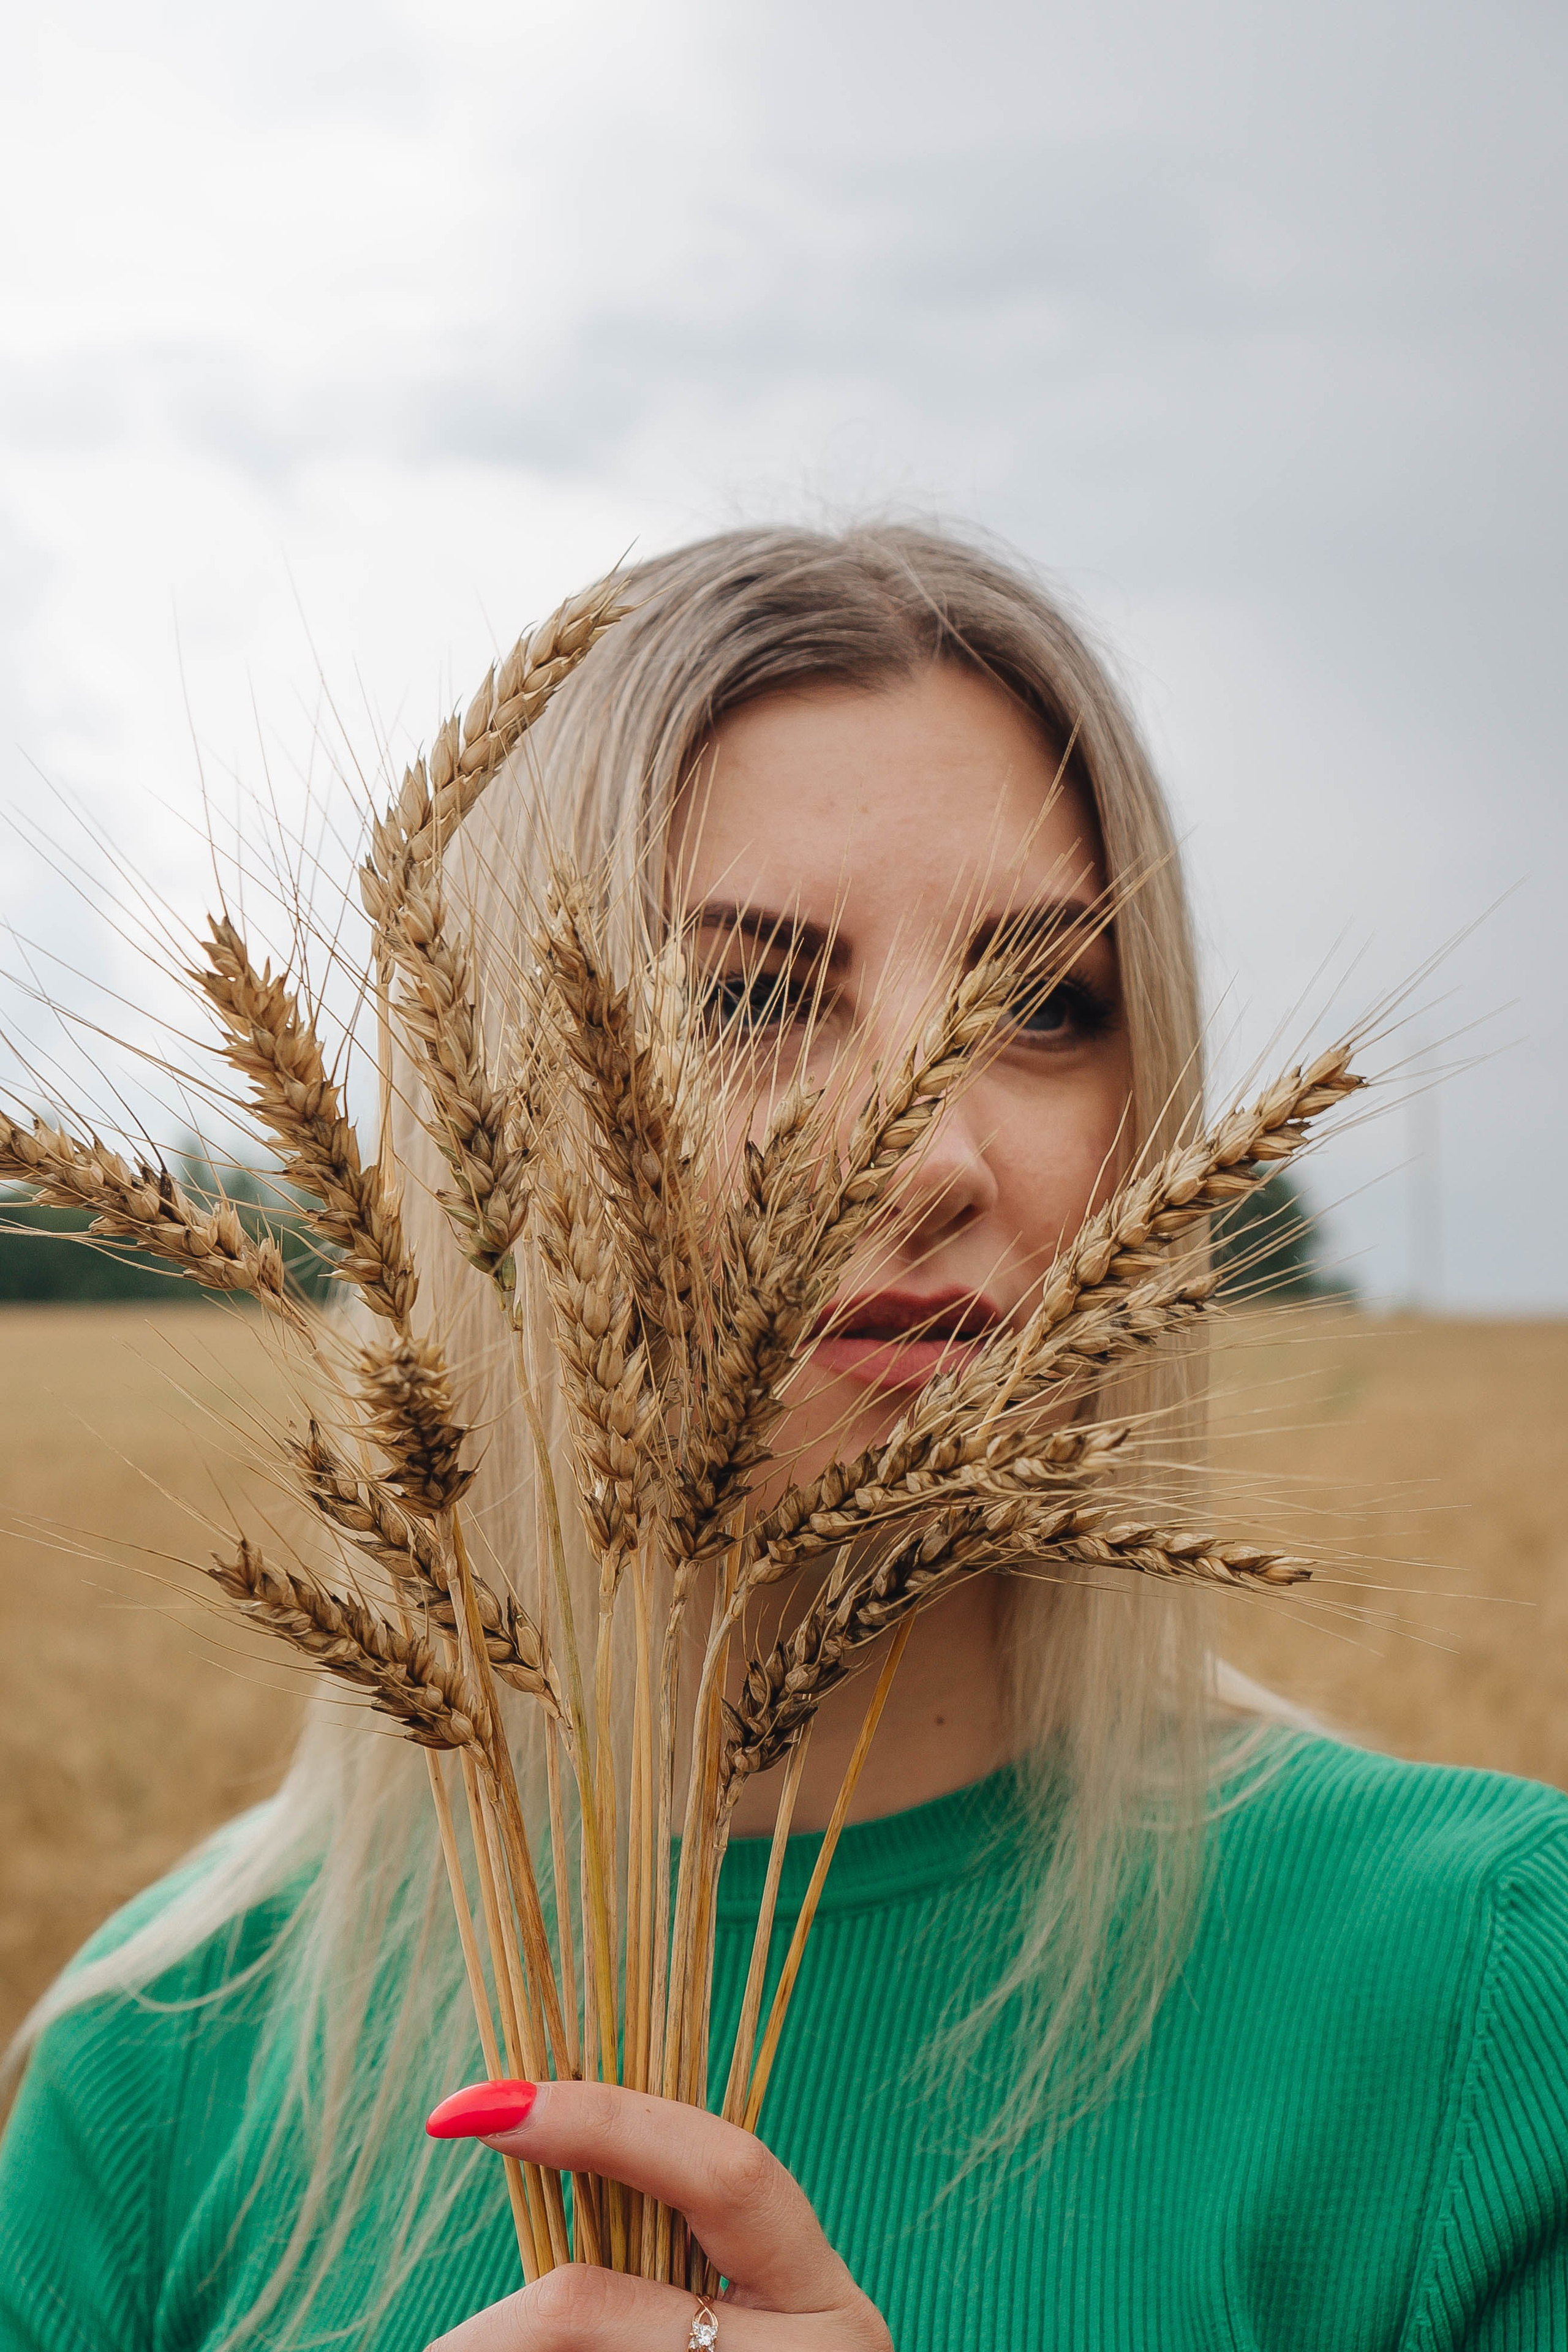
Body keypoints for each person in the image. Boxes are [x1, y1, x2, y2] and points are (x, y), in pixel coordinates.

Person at [2, 524, 1564, 2351]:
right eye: (749, 994)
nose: (932, 1155)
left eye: (1049, 1005)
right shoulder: (161, 2073)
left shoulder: (1489, 1993)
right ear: (501, 1109)